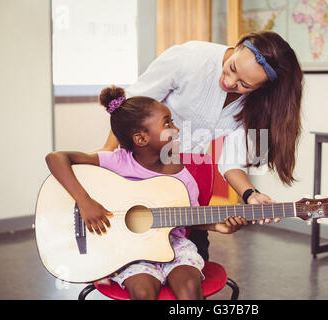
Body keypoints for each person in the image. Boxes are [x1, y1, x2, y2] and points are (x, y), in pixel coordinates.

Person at [100, 30, 304, 258]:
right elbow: (126, 109)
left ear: (261, 88)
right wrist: (106, 160)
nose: (229, 82)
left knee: (194, 258)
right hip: (140, 175)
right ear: (237, 47)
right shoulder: (188, 59)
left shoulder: (254, 105)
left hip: (186, 181)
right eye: (233, 67)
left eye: (244, 84)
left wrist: (250, 195)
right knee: (136, 256)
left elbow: (231, 164)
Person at [45, 86, 248, 300]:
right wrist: (85, 201)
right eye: (167, 123)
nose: (176, 129)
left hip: (175, 247)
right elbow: (56, 158)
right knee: (142, 292)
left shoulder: (181, 176)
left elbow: (191, 217)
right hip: (130, 253)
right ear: (141, 139)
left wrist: (217, 226)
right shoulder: (116, 161)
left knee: (189, 288)